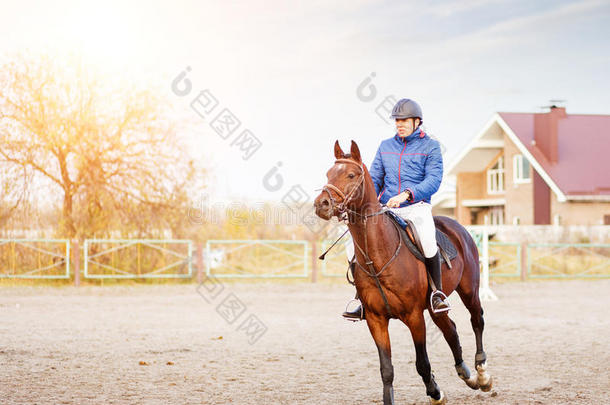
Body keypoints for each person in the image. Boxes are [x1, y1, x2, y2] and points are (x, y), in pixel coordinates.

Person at [342, 98, 450, 320]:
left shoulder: (430, 146)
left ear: (417, 121)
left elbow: (434, 179)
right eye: (397, 120)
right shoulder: (385, 146)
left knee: (428, 239)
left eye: (404, 120)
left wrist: (408, 194)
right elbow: (375, 180)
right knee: (350, 244)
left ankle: (437, 294)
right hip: (386, 207)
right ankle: (361, 298)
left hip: (416, 206)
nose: (399, 124)